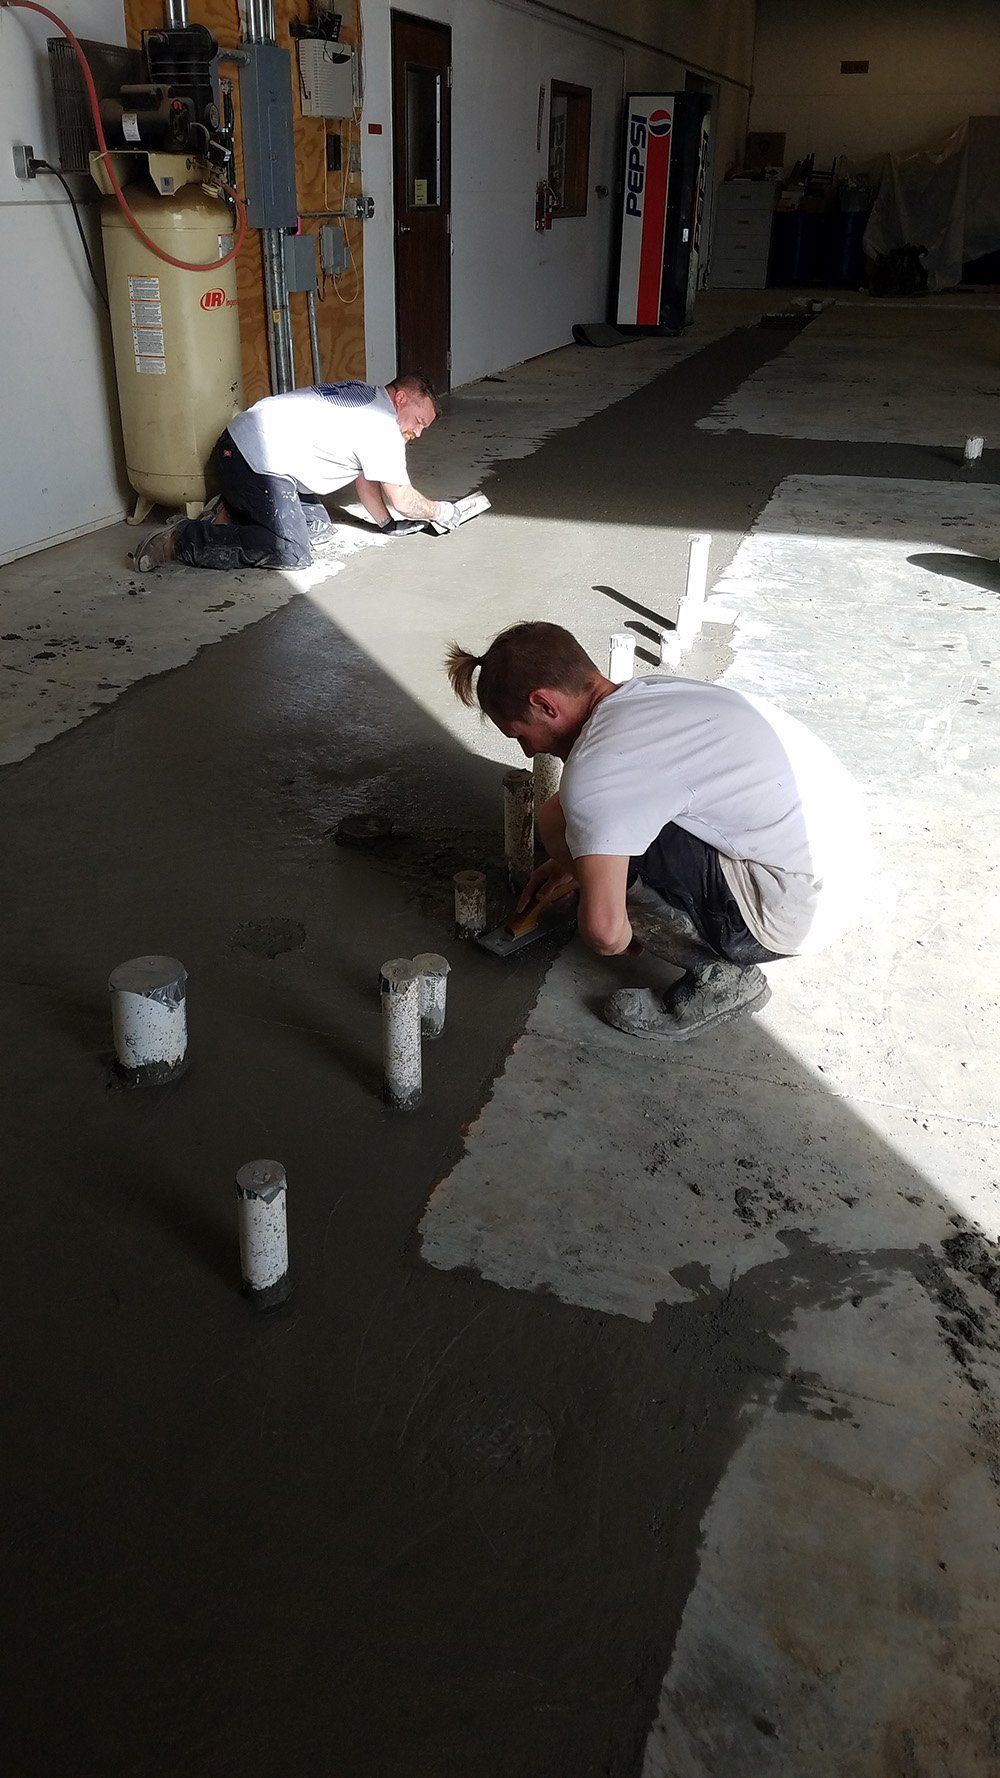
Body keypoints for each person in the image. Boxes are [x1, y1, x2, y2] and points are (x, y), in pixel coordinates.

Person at [446, 621, 870, 1041]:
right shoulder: (648, 695)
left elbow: (605, 933)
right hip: (840, 871)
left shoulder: (598, 769)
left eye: (521, 735)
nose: (529, 750)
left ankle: (720, 978)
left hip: (786, 914)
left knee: (574, 821)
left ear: (545, 704)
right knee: (567, 816)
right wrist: (575, 864)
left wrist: (618, 914)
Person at [135, 374, 474, 573]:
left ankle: (232, 509)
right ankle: (182, 540)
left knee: (319, 526)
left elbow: (366, 479)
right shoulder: (382, 424)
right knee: (292, 550)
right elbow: (403, 497)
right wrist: (442, 511)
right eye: (419, 421)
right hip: (252, 462)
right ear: (401, 398)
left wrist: (387, 524)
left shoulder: (366, 393)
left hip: (241, 449)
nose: (417, 432)